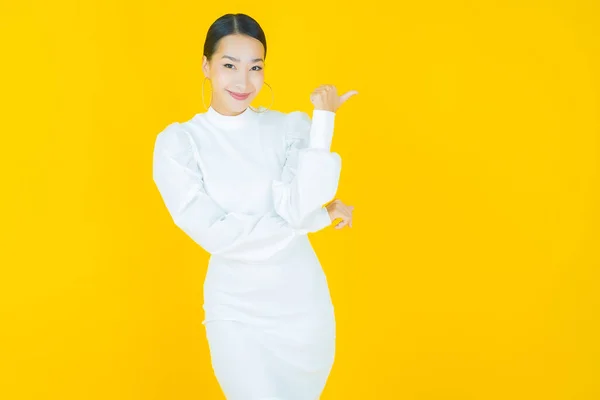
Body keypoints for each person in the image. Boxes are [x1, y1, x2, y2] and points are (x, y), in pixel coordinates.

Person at [152, 13, 356, 400]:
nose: (243, 81)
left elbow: (299, 206)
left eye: (255, 67)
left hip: (302, 305)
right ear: (206, 66)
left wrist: (323, 121)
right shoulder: (181, 143)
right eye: (229, 65)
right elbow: (220, 236)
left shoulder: (288, 127)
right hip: (236, 310)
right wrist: (316, 219)